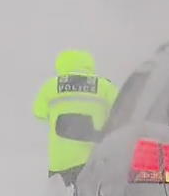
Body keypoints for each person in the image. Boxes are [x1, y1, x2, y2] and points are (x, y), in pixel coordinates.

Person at [32, 49, 118, 187]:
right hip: (94, 160)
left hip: (60, 161)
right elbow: (122, 111)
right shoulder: (105, 86)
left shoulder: (50, 86)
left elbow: (39, 112)